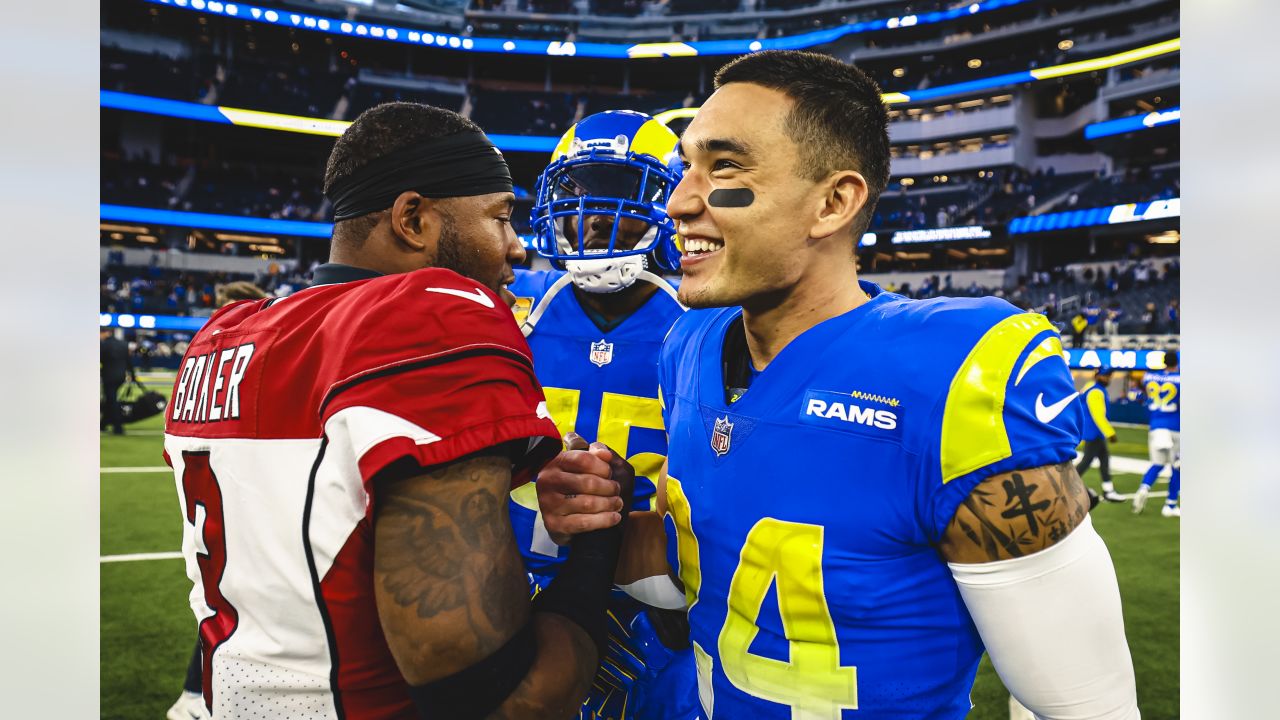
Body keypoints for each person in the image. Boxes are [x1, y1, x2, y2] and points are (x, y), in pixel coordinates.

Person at [537, 51, 1139, 718]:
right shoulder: (688, 344)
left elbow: (1081, 704)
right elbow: (713, 574)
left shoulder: (949, 372)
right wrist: (604, 519)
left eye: (725, 168)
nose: (679, 201)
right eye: (686, 169)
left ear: (833, 201)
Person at [164, 102, 633, 719]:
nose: (517, 248)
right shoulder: (433, 315)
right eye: (500, 217)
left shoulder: (224, 335)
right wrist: (600, 548)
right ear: (413, 220)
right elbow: (506, 704)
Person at [511, 110, 700, 719]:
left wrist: (673, 607)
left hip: (652, 602)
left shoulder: (703, 324)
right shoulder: (513, 309)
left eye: (620, 191)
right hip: (516, 587)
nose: (595, 212)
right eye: (580, 190)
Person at [168, 279, 273, 720]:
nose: (227, 322)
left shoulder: (208, 366)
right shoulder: (222, 366)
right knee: (228, 605)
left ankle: (201, 693)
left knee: (230, 608)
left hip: (232, 514)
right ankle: (197, 695)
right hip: (225, 519)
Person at [1134, 350, 1181, 517]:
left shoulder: (1149, 377)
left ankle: (1144, 488)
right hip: (1175, 427)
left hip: (1156, 426)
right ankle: (1170, 504)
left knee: (1157, 463)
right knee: (1178, 466)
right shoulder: (1180, 379)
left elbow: (1140, 387)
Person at [1077, 367, 1125, 502]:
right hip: (1094, 432)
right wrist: (1110, 433)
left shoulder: (1090, 387)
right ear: (1097, 376)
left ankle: (1108, 490)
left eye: (1109, 375)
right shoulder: (1096, 391)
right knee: (1086, 461)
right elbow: (1098, 415)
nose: (1108, 378)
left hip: (1092, 430)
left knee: (1104, 459)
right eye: (1106, 376)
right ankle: (1064, 485)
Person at [100, 327, 137, 435]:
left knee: (112, 400)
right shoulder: (123, 344)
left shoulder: (104, 345)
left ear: (105, 333)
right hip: (121, 377)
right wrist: (133, 376)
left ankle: (118, 427)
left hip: (109, 377)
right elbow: (129, 362)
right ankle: (103, 424)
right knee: (109, 399)